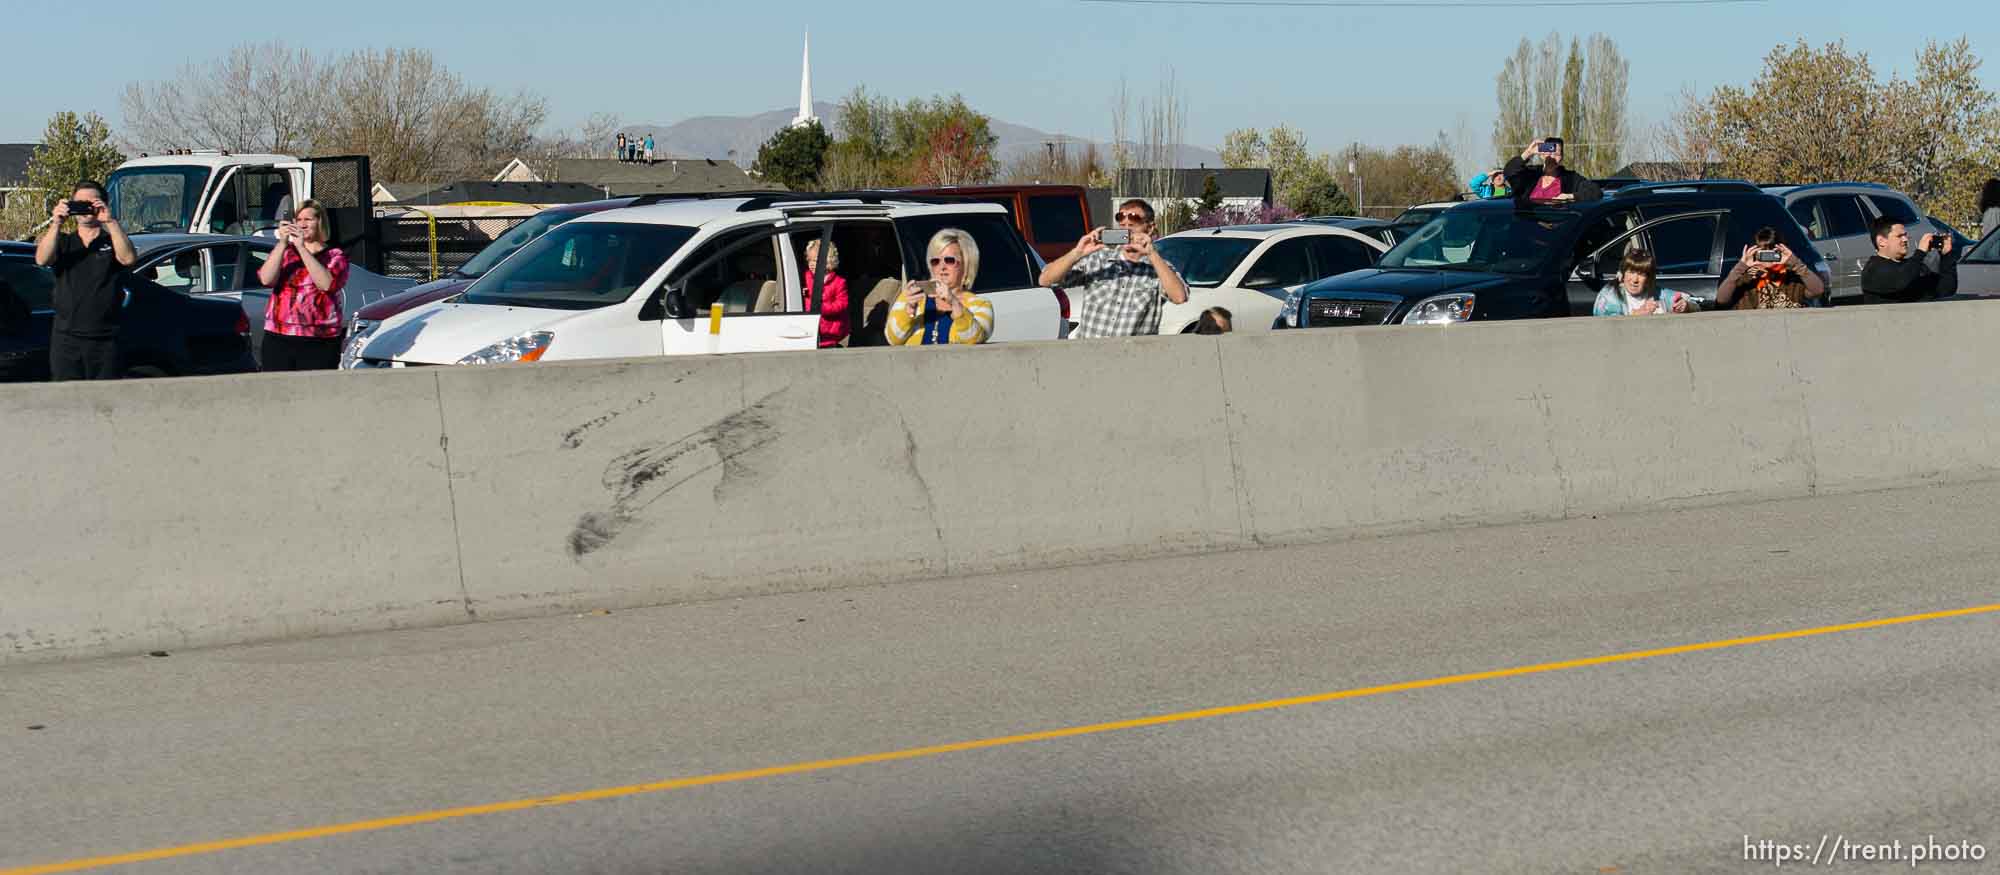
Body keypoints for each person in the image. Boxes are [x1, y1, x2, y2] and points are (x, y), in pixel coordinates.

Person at [1039, 198, 1190, 338]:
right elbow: (1045, 280)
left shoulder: (1159, 268)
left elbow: (1179, 297)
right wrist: (1077, 253)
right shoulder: (1098, 259)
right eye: (1122, 227)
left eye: (1132, 226)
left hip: (1130, 360)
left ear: (1149, 228)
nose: (1127, 232)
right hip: (1089, 357)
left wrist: (1152, 254)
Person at [35, 181, 137, 380]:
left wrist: (110, 222)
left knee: (105, 403)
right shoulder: (64, 242)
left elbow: (128, 259)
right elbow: (42, 259)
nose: (85, 209)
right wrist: (56, 223)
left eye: (91, 203)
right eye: (79, 203)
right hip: (67, 339)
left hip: (106, 339)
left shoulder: (112, 241)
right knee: (68, 402)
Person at [253, 200, 350, 370]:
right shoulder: (286, 253)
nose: (302, 225)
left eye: (308, 220)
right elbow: (266, 279)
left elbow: (326, 284)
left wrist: (302, 248)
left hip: (319, 338)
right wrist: (282, 243)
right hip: (279, 335)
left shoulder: (335, 255)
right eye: (299, 220)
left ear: (320, 222)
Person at [885, 229, 993, 345]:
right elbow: (893, 340)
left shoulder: (980, 304)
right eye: (935, 261)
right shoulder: (912, 297)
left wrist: (954, 303)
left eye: (949, 260)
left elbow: (974, 339)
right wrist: (909, 312)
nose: (942, 267)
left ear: (966, 264)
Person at [1714, 227, 1826, 310]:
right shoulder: (1746, 278)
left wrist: (1796, 264)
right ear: (1755, 252)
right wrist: (1741, 267)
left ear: (1782, 251)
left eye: (1773, 251)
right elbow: (1722, 299)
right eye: (1763, 251)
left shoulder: (1792, 278)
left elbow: (1817, 290)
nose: (1768, 256)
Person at [1862, 216, 1956, 305]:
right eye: (1899, 236)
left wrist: (1947, 255)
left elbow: (1946, 289)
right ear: (1881, 241)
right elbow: (1900, 281)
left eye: (1905, 235)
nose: (1905, 239)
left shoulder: (1915, 266)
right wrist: (1920, 252)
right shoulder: (1872, 270)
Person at [1502, 137, 1602, 207]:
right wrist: (1528, 153)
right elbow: (1508, 172)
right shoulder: (1530, 174)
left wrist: (1570, 196)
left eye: (1556, 154)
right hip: (1528, 226)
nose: (1552, 157)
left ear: (1562, 158)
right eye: (1548, 152)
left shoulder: (1570, 178)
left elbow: (1595, 191)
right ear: (1541, 154)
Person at [1591, 249, 1692, 316]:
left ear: (1648, 279)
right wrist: (1637, 314)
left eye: (1641, 274)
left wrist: (1686, 306)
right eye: (1631, 272)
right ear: (1622, 274)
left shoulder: (1658, 294)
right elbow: (1606, 326)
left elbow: (1693, 303)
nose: (1635, 280)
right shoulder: (1609, 295)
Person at [802, 238, 850, 348]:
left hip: (830, 333)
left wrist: (821, 307)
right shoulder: (806, 277)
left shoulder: (839, 282)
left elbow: (841, 305)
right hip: (810, 330)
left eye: (815, 261)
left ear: (828, 261)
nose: (811, 264)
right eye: (809, 260)